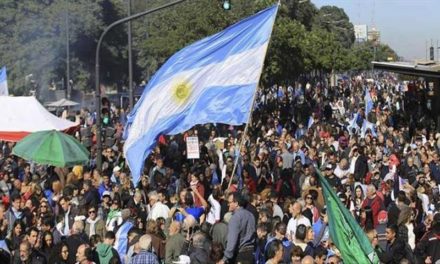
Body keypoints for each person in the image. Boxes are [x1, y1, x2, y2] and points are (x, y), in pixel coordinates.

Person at [222, 192, 255, 264]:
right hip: (250, 254)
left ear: (236, 203)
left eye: (229, 202)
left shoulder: (235, 218)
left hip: (240, 255)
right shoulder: (251, 215)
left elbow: (232, 241)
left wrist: (224, 259)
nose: (228, 204)